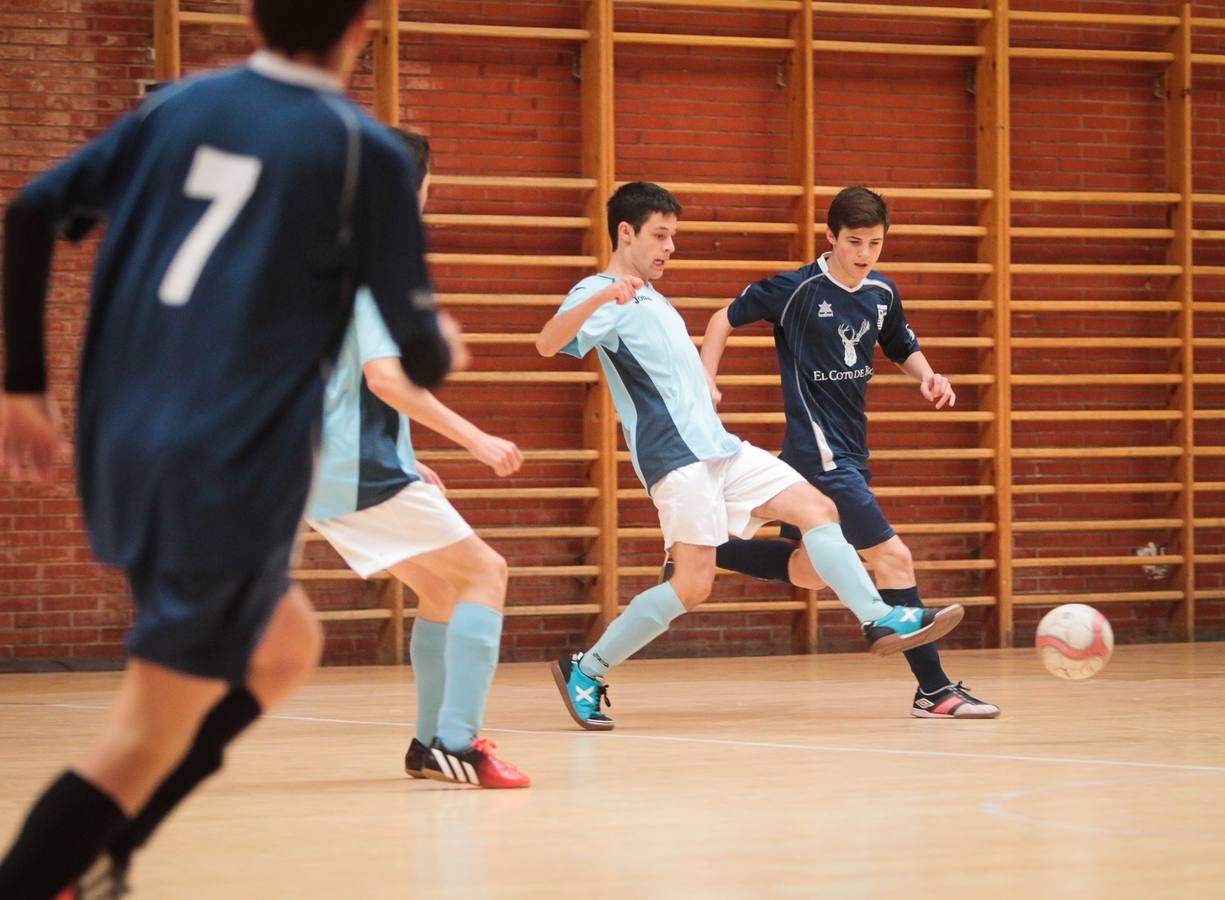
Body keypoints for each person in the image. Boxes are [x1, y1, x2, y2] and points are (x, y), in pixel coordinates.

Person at [0, 2, 459, 896]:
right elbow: (425, 351)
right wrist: (439, 335)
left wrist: (22, 385)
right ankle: (62, 867)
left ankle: (106, 851)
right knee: (141, 732)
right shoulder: (361, 152)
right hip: (226, 466)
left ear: (252, 15)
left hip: (123, 443)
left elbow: (28, 212)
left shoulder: (176, 109)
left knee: (284, 646)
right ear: (362, 29)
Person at [535, 182, 963, 731]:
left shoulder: (650, 296)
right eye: (660, 235)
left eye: (673, 237)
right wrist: (599, 298)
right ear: (626, 232)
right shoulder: (602, 291)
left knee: (818, 510)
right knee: (693, 585)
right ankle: (587, 669)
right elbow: (548, 343)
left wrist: (703, 384)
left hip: (720, 446)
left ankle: (880, 617)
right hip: (676, 459)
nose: (670, 247)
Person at [699, 185, 999, 719]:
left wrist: (928, 377)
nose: (864, 254)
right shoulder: (796, 289)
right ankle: (934, 690)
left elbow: (900, 344)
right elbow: (722, 318)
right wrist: (707, 377)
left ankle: (701, 549)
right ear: (831, 237)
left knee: (811, 571)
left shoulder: (880, 292)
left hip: (845, 451)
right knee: (893, 558)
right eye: (854, 241)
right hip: (820, 455)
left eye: (875, 243)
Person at [305, 128, 529, 789]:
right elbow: (384, 378)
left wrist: (405, 455)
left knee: (439, 589)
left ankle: (428, 745)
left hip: (326, 465)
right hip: (355, 465)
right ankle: (458, 744)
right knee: (486, 573)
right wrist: (474, 440)